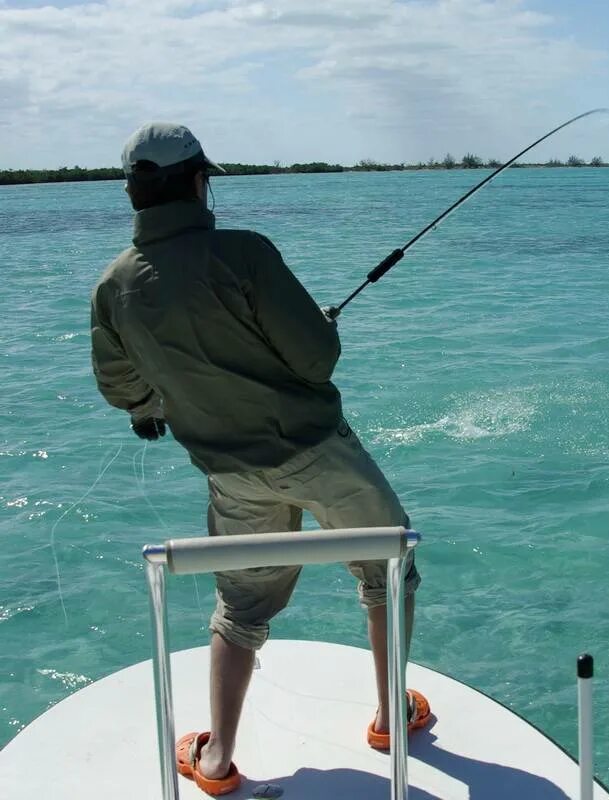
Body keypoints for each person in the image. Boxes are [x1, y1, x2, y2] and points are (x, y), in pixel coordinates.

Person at [90, 122, 430, 795]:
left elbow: (120, 385)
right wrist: (320, 328)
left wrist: (147, 411)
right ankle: (391, 718)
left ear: (135, 193)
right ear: (196, 181)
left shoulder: (114, 285)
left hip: (232, 475)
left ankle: (214, 761)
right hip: (318, 451)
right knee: (388, 569)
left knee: (241, 609)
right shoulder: (245, 254)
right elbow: (315, 358)